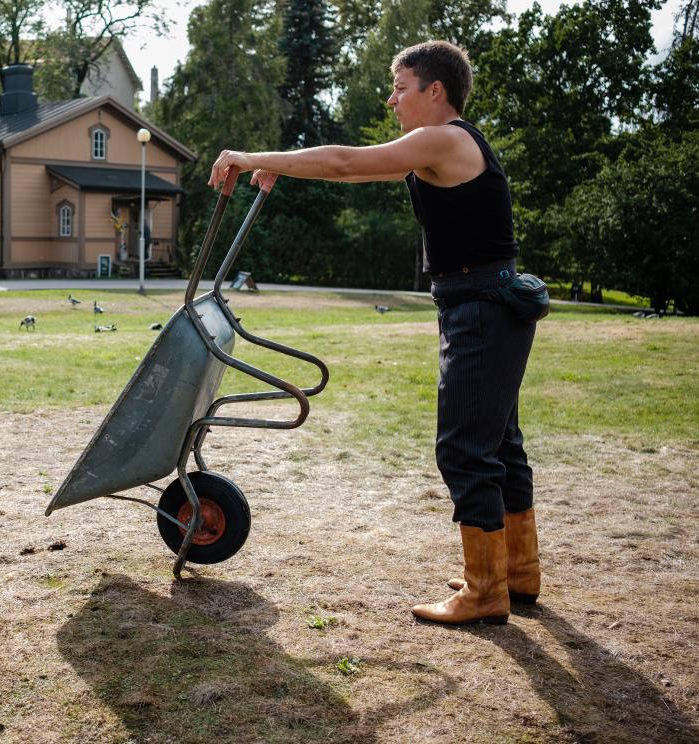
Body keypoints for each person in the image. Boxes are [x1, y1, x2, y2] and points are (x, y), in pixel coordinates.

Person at [208, 40, 539, 626]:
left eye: (401, 88)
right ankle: (515, 571)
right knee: (498, 443)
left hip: (481, 308)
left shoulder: (445, 138)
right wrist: (279, 164)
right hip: (485, 303)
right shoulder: (450, 145)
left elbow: (345, 162)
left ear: (435, 91)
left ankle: (487, 589)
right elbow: (345, 167)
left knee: (465, 448)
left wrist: (251, 154)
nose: (392, 101)